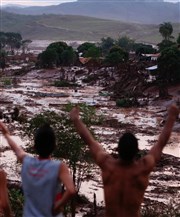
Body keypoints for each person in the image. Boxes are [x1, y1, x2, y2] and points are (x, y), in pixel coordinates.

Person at [70, 104, 179, 217]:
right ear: (137, 151)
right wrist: (171, 117)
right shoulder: (143, 169)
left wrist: (76, 119)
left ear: (117, 150)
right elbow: (161, 143)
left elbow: (89, 140)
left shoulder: (107, 165)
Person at [0, 123, 76, 217]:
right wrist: (57, 206)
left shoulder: (27, 162)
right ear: (54, 146)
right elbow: (71, 190)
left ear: (34, 146)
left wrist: (6, 134)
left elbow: (16, 149)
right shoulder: (59, 167)